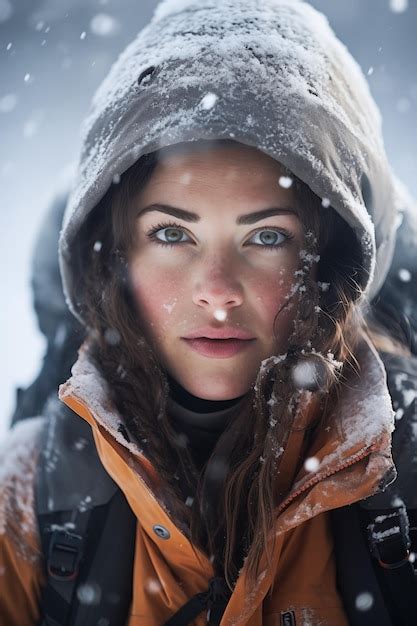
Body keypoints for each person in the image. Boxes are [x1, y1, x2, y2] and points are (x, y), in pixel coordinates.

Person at [0, 0, 414, 624]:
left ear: (327, 264)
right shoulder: (27, 497)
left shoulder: (404, 482)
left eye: (267, 236)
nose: (217, 290)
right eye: (172, 234)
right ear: (114, 260)